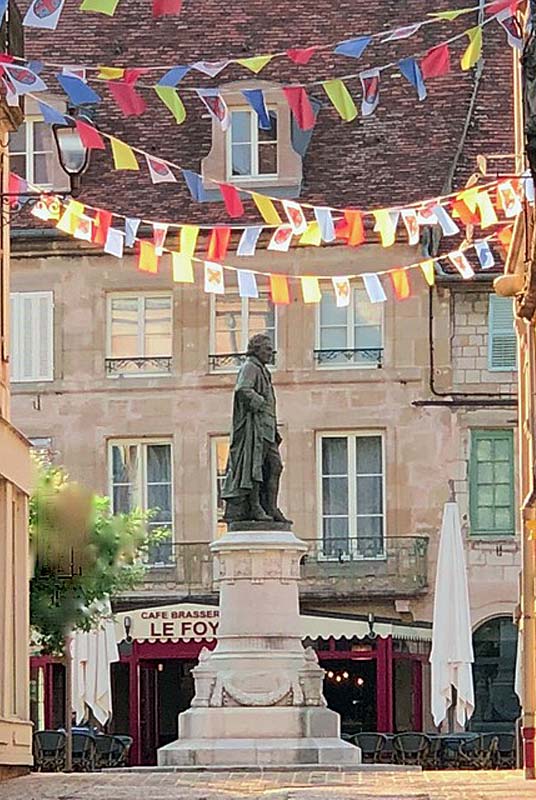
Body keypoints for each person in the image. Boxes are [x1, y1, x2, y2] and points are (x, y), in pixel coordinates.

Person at [222, 333, 291, 525]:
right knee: (255, 468)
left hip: (267, 428)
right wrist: (259, 402)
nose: (271, 353)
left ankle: (271, 506)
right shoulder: (250, 366)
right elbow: (242, 389)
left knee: (274, 467)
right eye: (267, 349)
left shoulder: (262, 370)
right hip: (255, 428)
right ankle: (255, 506)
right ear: (256, 349)